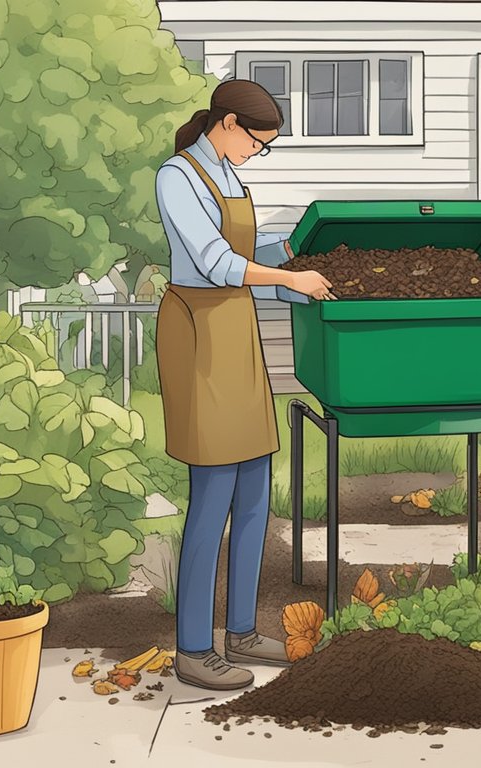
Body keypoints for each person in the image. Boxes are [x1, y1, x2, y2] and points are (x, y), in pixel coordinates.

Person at [154, 79, 333, 691]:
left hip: (238, 331)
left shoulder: (233, 177)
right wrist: (285, 274)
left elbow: (249, 251)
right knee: (212, 493)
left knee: (255, 489)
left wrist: (300, 264)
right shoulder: (177, 177)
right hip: (200, 333)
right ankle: (194, 649)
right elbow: (215, 261)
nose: (258, 152)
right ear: (227, 123)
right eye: (258, 141)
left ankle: (242, 632)